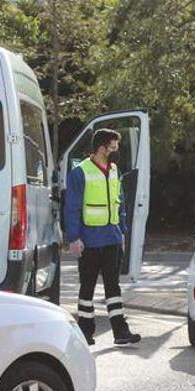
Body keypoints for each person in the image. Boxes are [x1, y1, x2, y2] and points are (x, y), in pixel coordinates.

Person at [64, 128, 141, 346]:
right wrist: (73, 238)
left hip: (112, 238)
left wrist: (122, 230)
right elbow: (72, 207)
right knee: (87, 286)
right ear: (101, 148)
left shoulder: (114, 169)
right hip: (89, 239)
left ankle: (120, 331)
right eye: (113, 147)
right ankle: (85, 331)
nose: (116, 151)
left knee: (113, 287)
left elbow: (120, 202)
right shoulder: (80, 172)